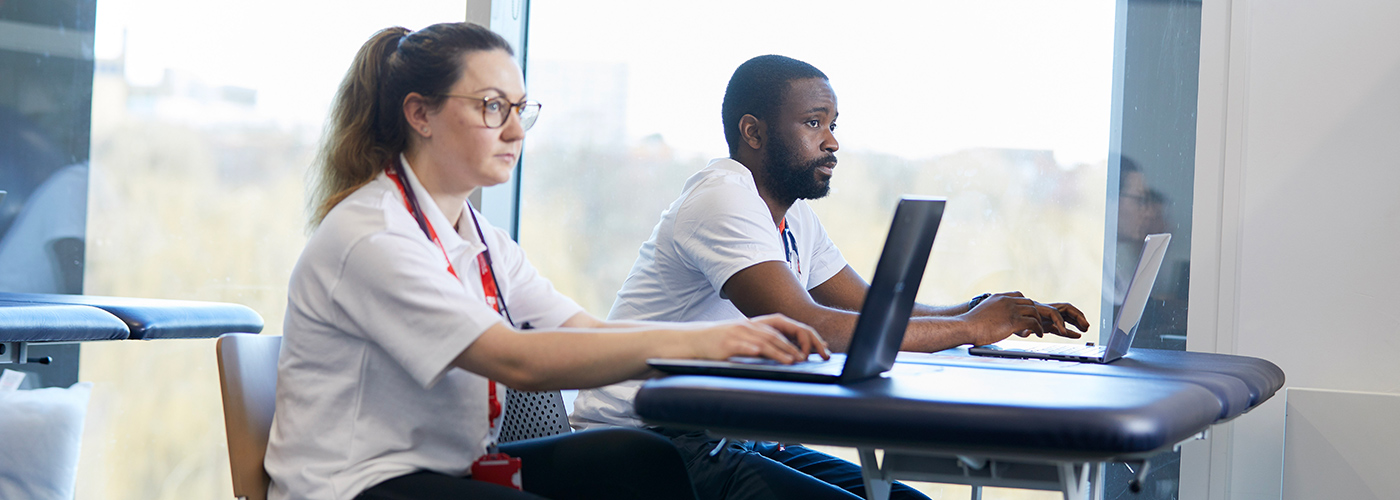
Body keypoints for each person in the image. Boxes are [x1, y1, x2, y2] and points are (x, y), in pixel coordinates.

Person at [263, 25, 826, 500]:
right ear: (421, 115)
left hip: (452, 468)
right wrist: (711, 342)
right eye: (491, 108)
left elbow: (588, 333)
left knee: (642, 457)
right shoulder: (374, 234)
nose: (514, 130)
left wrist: (721, 347)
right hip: (361, 484)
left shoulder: (478, 236)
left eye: (519, 110)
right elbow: (516, 361)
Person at [571, 55, 1093, 500]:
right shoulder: (721, 198)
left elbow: (868, 309)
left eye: (834, 125)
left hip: (729, 431)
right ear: (753, 132)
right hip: (649, 440)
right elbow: (808, 324)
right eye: (814, 124)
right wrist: (971, 328)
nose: (833, 142)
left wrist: (980, 309)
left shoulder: (792, 214)